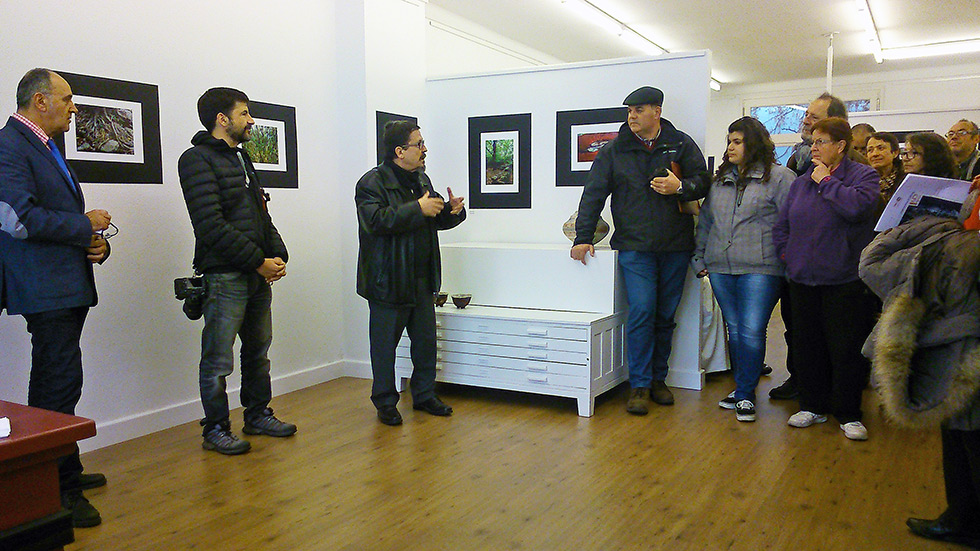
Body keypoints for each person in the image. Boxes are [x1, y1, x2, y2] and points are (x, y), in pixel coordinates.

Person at [0, 68, 112, 527]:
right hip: (44, 289)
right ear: (40, 101)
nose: (74, 107)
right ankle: (56, 486)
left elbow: (53, 218)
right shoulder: (9, 145)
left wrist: (95, 244)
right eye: (67, 99)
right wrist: (85, 225)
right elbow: (17, 219)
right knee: (56, 383)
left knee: (60, 379)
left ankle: (66, 466)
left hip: (62, 285)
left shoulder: (42, 147)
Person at [571, 86, 710, 415]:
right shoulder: (615, 151)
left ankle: (659, 380)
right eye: (629, 111)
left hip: (676, 246)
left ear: (656, 112)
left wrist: (682, 188)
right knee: (643, 312)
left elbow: (703, 181)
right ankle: (640, 385)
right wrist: (583, 236)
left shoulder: (681, 144)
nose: (631, 116)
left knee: (665, 316)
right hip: (635, 248)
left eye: (638, 110)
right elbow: (593, 194)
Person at [177, 87, 296, 455]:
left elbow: (261, 213)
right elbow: (209, 226)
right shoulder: (195, 160)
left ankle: (257, 414)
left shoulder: (242, 158)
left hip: (255, 274)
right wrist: (257, 261)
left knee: (258, 351)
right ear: (222, 119)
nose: (251, 120)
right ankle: (215, 429)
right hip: (225, 275)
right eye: (244, 113)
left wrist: (277, 255)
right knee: (218, 359)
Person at [860, 213, 980, 549]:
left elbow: (871, 263)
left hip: (960, 357)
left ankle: (963, 521)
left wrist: (920, 224)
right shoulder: (953, 244)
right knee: (961, 439)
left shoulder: (946, 243)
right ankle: (962, 520)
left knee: (967, 439)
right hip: (962, 355)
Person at [772, 117, 879, 441]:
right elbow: (782, 226)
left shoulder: (864, 176)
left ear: (841, 146)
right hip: (804, 279)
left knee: (845, 350)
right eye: (812, 142)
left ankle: (848, 413)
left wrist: (826, 181)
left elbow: (857, 209)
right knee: (808, 346)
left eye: (820, 142)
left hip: (844, 280)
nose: (813, 148)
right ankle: (812, 405)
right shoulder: (801, 182)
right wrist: (788, 256)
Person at [355, 120, 466, 426]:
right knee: (383, 348)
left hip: (420, 277)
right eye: (419, 144)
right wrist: (418, 208)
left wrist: (450, 212)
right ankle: (386, 402)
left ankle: (425, 395)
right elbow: (376, 222)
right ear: (400, 151)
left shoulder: (421, 178)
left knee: (425, 344)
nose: (424, 149)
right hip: (387, 280)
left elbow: (429, 220)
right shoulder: (370, 183)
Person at [691, 117, 794, 422]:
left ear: (754, 143)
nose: (731, 147)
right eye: (729, 141)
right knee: (735, 331)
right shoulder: (719, 180)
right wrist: (699, 260)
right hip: (721, 267)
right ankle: (742, 389)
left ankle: (746, 393)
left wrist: (789, 261)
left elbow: (794, 224)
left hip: (762, 268)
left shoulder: (780, 178)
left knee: (751, 331)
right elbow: (706, 222)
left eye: (738, 141)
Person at [865, 131, 905, 206]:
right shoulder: (862, 180)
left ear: (895, 153)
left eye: (880, 148)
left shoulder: (905, 179)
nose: (875, 154)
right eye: (870, 150)